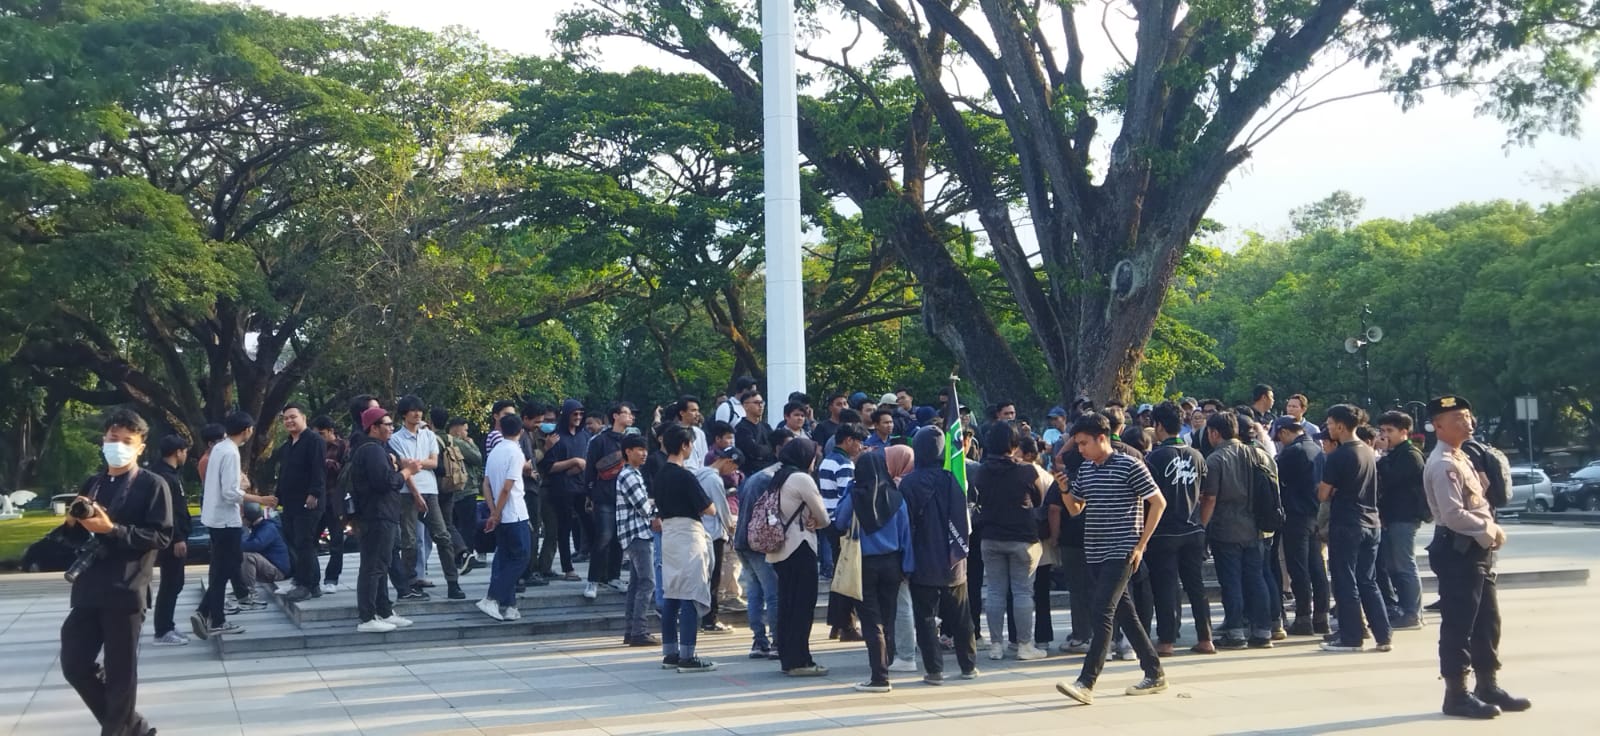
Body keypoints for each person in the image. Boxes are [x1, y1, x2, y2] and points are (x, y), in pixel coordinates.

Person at [59, 409, 174, 736]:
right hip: (88, 587)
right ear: (103, 440)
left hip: (126, 588)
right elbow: (73, 538)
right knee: (75, 664)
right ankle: (134, 728)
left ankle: (117, 731)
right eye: (113, 438)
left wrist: (113, 529)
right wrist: (72, 523)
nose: (118, 445)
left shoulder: (153, 484)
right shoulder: (93, 483)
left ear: (140, 447)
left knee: (121, 674)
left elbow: (161, 537)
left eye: (127, 441)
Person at [1423, 395, 1530, 719]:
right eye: (1457, 418)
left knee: (1487, 619)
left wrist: (1487, 532)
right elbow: (1454, 515)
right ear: (1438, 426)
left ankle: (1488, 684)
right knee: (1459, 624)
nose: (1466, 422)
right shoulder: (1443, 464)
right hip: (1458, 550)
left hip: (1474, 550)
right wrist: (1490, 530)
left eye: (1467, 416)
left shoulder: (1461, 457)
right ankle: (1456, 694)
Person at [1053, 412, 1169, 705]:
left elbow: (1158, 503)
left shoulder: (1130, 465)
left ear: (1101, 438)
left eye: (1083, 443)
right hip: (1094, 550)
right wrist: (1065, 489)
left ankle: (1086, 681)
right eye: (1077, 444)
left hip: (1123, 549)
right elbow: (1076, 509)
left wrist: (1141, 544)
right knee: (1124, 614)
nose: (1080, 449)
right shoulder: (1088, 470)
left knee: (1102, 610)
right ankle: (1154, 672)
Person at [829, 450, 913, 693]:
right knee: (888, 618)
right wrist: (908, 567)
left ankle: (879, 676)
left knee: (870, 619)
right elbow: (906, 535)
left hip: (863, 564)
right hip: (893, 564)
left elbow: (840, 522)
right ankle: (887, 664)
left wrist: (849, 491)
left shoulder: (855, 497)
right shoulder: (898, 499)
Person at [901, 427, 978, 684]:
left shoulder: (909, 482)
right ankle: (968, 665)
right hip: (954, 558)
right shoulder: (953, 479)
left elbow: (906, 522)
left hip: (922, 559)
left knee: (925, 617)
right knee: (961, 615)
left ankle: (934, 669)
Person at [192, 412, 277, 640]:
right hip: (226, 521)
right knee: (223, 570)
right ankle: (211, 616)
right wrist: (260, 499)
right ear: (247, 430)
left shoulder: (219, 448)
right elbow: (230, 492)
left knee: (226, 566)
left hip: (215, 519)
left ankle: (209, 613)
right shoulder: (230, 452)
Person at [1318, 404, 1393, 653]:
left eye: (1330, 424)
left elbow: (1323, 493)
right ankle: (1383, 634)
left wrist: (1333, 490)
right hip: (1372, 522)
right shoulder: (1368, 451)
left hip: (1347, 523)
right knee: (1368, 580)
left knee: (1345, 579)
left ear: (1340, 425)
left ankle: (1351, 636)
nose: (1328, 428)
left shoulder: (1338, 455)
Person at [973, 422, 1047, 662]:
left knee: (995, 591)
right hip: (1022, 537)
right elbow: (1037, 500)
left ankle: (996, 645)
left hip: (990, 536)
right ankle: (1024, 645)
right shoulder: (1027, 471)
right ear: (1014, 445)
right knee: (1023, 592)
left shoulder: (981, 472)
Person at [1144, 402, 1214, 656]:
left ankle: (1166, 640)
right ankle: (1206, 638)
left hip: (1164, 531)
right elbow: (1208, 495)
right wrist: (1202, 524)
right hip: (1194, 529)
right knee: (1196, 586)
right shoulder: (1197, 456)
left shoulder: (1154, 458)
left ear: (1159, 426)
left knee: (1165, 586)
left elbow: (1146, 498)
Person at [1200, 411, 1273, 649]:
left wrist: (1202, 525)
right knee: (1256, 578)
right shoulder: (1258, 454)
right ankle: (1262, 629)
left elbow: (1210, 497)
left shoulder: (1216, 459)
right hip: (1256, 525)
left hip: (1226, 527)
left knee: (1231, 581)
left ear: (1214, 433)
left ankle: (1235, 630)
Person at [349, 407, 420, 633]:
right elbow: (385, 482)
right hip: (377, 515)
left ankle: (384, 610)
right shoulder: (371, 451)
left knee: (382, 564)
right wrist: (407, 472)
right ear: (373, 427)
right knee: (373, 566)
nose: (391, 428)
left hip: (383, 515)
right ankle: (367, 616)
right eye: (387, 424)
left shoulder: (376, 450)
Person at [654, 424, 719, 673]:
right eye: (691, 443)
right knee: (691, 593)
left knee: (672, 593)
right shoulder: (685, 475)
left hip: (669, 534)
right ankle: (688, 654)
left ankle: (670, 651)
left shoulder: (660, 475)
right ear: (684, 445)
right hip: (689, 535)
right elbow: (708, 508)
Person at [766, 437, 831, 676]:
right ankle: (801, 660)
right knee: (803, 605)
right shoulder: (802, 478)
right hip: (800, 546)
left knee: (787, 604)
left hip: (780, 549)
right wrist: (817, 520)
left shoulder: (778, 477)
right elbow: (823, 516)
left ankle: (788, 656)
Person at [389, 396, 460, 600]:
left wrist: (414, 464)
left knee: (443, 536)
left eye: (419, 410)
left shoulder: (428, 434)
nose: (417, 413)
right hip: (407, 493)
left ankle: (452, 582)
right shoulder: (396, 438)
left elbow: (434, 462)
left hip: (431, 490)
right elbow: (404, 469)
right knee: (409, 541)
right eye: (412, 410)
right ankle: (410, 582)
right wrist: (415, 490)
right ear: (404, 413)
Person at [1272, 417, 1329, 635]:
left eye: (1280, 436)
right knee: (1317, 566)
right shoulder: (1316, 448)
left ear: (1286, 432)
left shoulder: (1292, 452)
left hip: (1296, 515)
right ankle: (1321, 616)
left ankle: (1304, 616)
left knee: (1299, 567)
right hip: (1315, 512)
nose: (1280, 441)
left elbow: (1279, 480)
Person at [270, 402, 327, 602]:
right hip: (290, 502)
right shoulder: (287, 445)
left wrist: (314, 493)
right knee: (297, 542)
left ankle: (306, 585)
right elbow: (284, 474)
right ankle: (310, 581)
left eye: (293, 416)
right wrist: (277, 497)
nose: (289, 421)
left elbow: (319, 470)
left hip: (308, 502)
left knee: (305, 542)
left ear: (304, 417)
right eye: (285, 418)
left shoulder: (314, 441)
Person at [1376, 410, 1428, 630]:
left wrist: (1381, 454)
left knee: (1405, 565)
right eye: (1382, 431)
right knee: (1394, 565)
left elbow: (1390, 478)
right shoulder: (1397, 452)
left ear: (1404, 432)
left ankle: (1413, 613)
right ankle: (1405, 608)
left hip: (1404, 515)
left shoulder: (1409, 454)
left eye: (1390, 431)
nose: (1385, 435)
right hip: (1393, 515)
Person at [479, 413, 532, 622]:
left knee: (507, 557)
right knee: (522, 557)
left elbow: (486, 484)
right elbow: (507, 488)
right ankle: (492, 597)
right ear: (521, 431)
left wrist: (493, 512)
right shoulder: (516, 452)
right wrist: (497, 512)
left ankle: (510, 605)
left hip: (501, 514)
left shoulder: (494, 451)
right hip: (514, 513)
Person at [583, 402, 634, 599]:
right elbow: (590, 470)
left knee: (620, 539)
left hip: (625, 497)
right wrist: (589, 494)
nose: (630, 417)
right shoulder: (599, 441)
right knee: (603, 536)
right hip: (604, 495)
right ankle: (593, 580)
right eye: (627, 413)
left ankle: (613, 576)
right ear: (615, 416)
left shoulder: (630, 441)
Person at [693, 446, 743, 633]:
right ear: (729, 461)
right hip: (714, 532)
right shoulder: (714, 479)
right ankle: (710, 619)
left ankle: (705, 617)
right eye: (734, 468)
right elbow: (722, 508)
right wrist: (731, 528)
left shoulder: (699, 473)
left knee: (705, 576)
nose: (733, 473)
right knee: (713, 578)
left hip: (699, 530)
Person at [615, 433, 659, 645]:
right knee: (647, 582)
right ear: (628, 452)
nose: (644, 454)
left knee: (636, 583)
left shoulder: (633, 473)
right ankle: (639, 631)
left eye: (645, 450)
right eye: (639, 450)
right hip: (638, 534)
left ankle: (630, 630)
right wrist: (656, 506)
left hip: (634, 534)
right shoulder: (629, 476)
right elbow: (644, 508)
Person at [148, 434, 191, 646]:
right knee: (171, 583)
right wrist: (178, 538)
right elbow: (170, 512)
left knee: (175, 582)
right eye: (184, 452)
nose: (185, 456)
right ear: (177, 452)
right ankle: (163, 630)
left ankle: (168, 624)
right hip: (171, 539)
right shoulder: (164, 477)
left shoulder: (169, 475)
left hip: (174, 537)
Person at [543, 399, 590, 582]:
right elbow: (549, 467)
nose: (578, 417)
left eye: (580, 414)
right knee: (564, 528)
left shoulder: (584, 436)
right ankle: (567, 567)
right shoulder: (556, 437)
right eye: (574, 414)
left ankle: (597, 564)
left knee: (590, 524)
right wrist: (573, 463)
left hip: (582, 487)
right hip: (562, 489)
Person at [312, 415, 348, 593]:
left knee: (336, 541)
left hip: (335, 499)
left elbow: (348, 471)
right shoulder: (313, 446)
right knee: (310, 540)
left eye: (322, 433)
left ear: (331, 432)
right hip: (318, 498)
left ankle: (332, 578)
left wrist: (328, 463)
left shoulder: (343, 446)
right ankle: (311, 577)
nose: (319, 437)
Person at [239, 502, 290, 589]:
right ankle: (240, 588)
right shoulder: (258, 527)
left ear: (249, 517)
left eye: (243, 518)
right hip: (269, 566)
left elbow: (256, 545)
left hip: (278, 571)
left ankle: (248, 591)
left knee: (247, 556)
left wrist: (235, 546)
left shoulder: (268, 528)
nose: (241, 520)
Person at [734, 391, 775, 476]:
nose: (760, 406)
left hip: (770, 470)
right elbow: (755, 451)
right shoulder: (740, 428)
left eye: (762, 402)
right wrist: (769, 448)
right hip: (751, 473)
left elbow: (776, 445)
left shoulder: (766, 427)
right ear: (745, 406)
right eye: (756, 403)